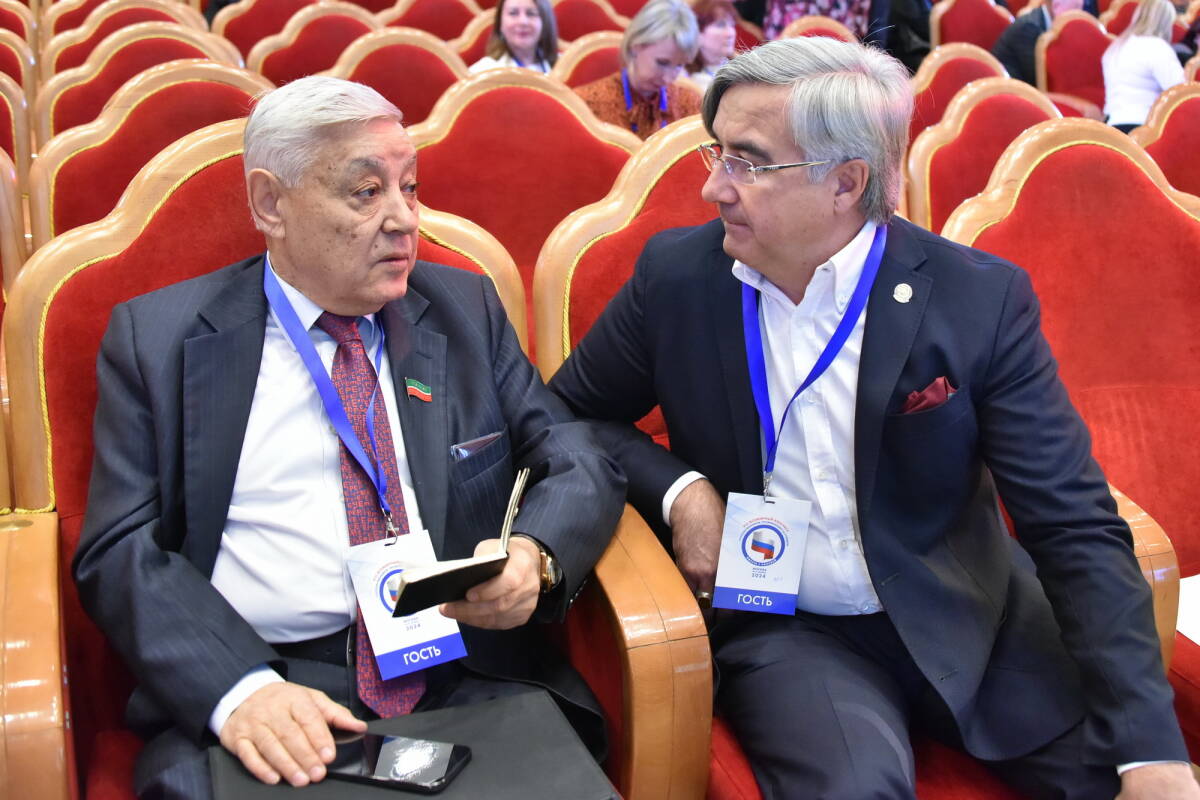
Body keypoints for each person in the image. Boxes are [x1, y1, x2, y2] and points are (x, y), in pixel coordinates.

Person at [550, 37, 1199, 799]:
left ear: (845, 182)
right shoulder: (678, 279)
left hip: (969, 613)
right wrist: (683, 492)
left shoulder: (976, 299)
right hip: (791, 622)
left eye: (748, 163)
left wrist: (1148, 749)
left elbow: (1073, 523)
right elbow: (564, 415)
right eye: (717, 153)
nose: (713, 188)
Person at [73, 76, 625, 799]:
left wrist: (535, 557)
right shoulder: (160, 341)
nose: (404, 219)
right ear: (271, 203)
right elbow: (121, 549)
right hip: (274, 683)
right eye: (366, 192)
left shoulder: (462, 311)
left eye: (410, 187)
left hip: (459, 671)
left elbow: (576, 454)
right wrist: (240, 690)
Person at [574, 0, 702, 139]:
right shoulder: (589, 104)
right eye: (662, 62)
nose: (668, 79)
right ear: (636, 46)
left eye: (679, 65)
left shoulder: (690, 106)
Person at [1102, 0, 1185, 131]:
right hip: (1145, 125)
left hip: (1113, 124)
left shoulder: (1116, 47)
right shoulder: (1157, 46)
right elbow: (1179, 91)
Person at [992, 0, 1083, 84]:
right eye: (1076, 8)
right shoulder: (1028, 27)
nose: (1079, 15)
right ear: (1056, 5)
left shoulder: (1052, 24)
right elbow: (1040, 78)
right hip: (1008, 89)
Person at [469, 0, 558, 73]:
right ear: (500, 23)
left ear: (545, 23)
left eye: (531, 13)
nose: (523, 22)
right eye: (513, 13)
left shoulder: (562, 70)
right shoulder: (481, 72)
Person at [688, 0, 739, 91]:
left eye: (732, 25)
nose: (730, 33)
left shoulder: (742, 69)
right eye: (720, 25)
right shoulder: (682, 76)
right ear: (698, 32)